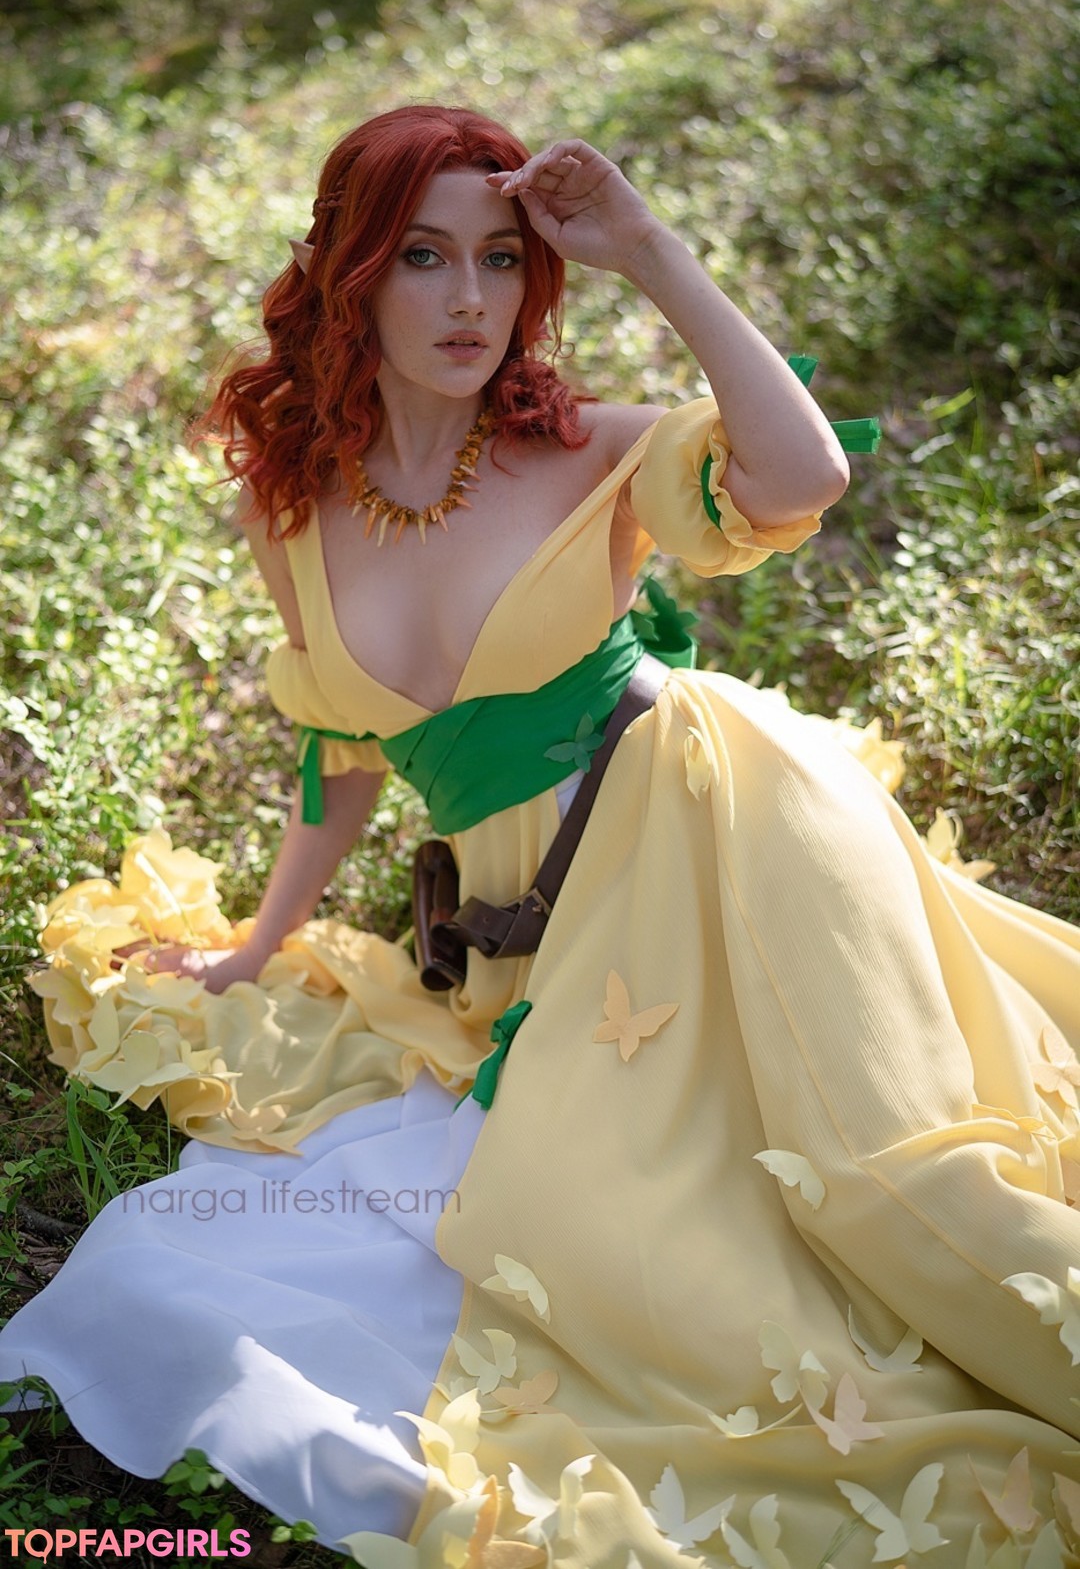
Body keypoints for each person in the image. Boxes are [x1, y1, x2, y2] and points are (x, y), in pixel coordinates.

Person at [2, 104, 1079, 1568]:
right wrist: (258, 946)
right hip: (540, 941)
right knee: (279, 1262)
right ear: (352, 275)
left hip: (718, 836)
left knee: (883, 1187)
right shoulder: (293, 508)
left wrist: (649, 251)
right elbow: (344, 753)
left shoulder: (588, 453)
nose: (469, 298)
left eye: (500, 259)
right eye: (424, 256)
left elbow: (803, 477)